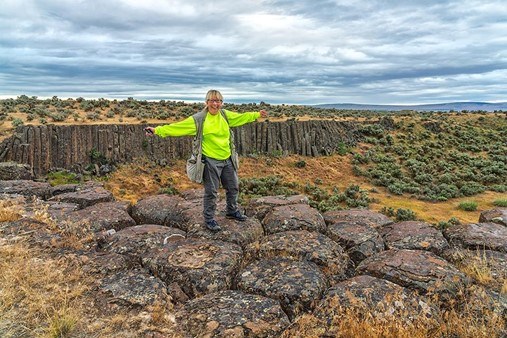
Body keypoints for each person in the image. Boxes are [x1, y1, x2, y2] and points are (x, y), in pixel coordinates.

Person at [145, 90, 268, 232]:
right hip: (210, 160)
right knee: (212, 191)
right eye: (212, 100)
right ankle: (209, 219)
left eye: (218, 101)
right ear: (206, 102)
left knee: (233, 187)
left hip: (227, 158)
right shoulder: (199, 119)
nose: (215, 104)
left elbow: (241, 117)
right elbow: (177, 128)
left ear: (221, 103)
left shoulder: (225, 116)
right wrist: (157, 130)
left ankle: (232, 211)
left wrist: (257, 115)